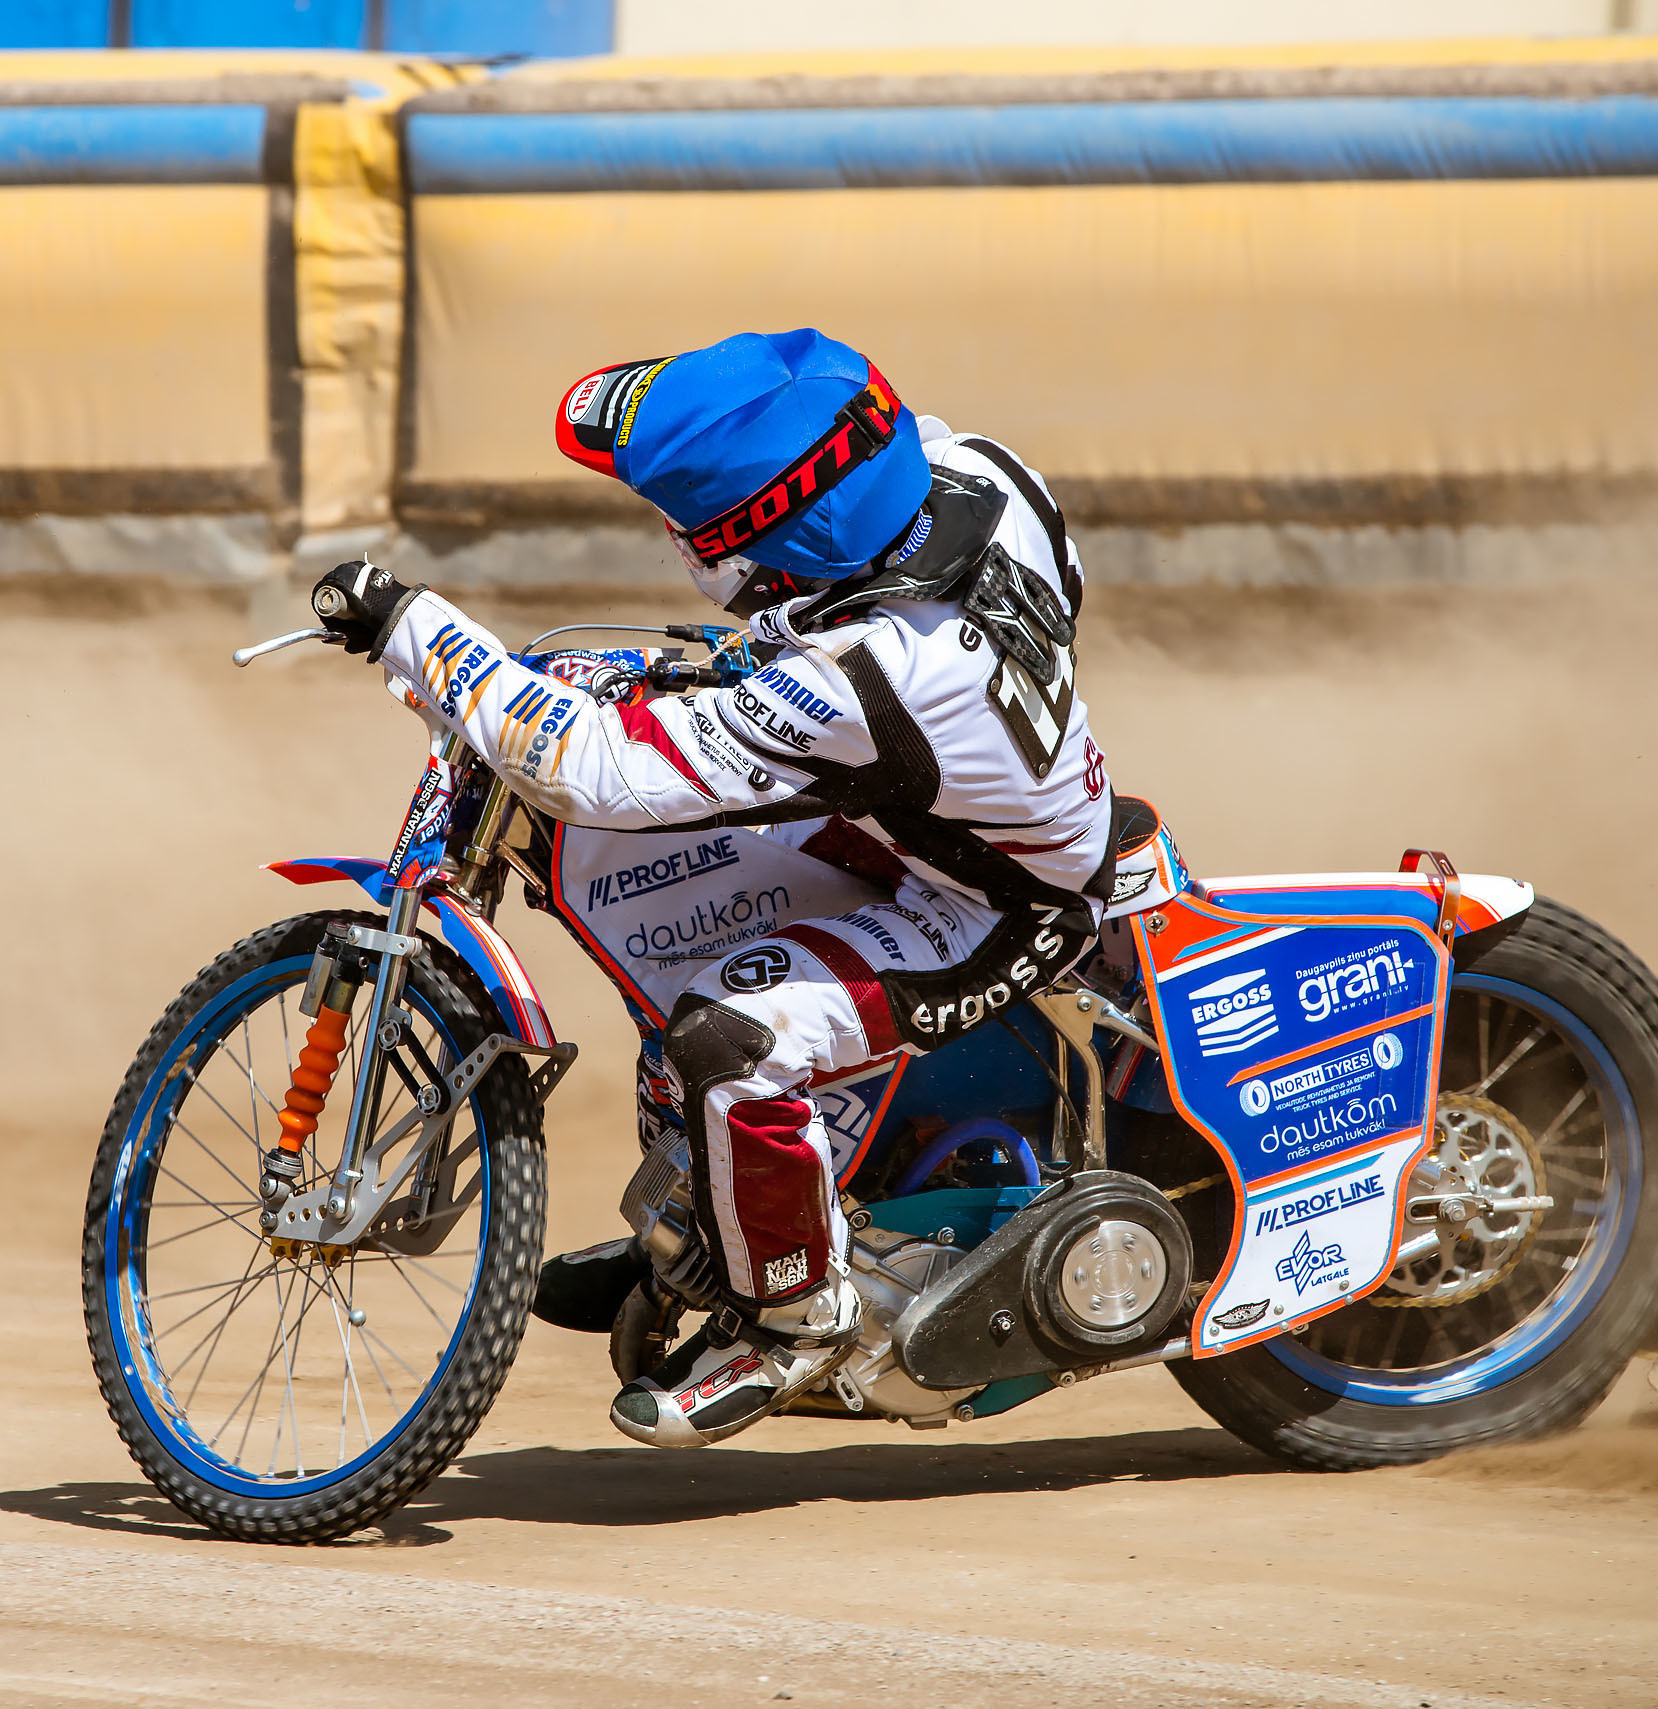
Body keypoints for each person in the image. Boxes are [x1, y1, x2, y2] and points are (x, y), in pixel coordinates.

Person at [307, 329, 1113, 1447]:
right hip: (919, 812)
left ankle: (794, 1315)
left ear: (769, 543)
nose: (677, 539)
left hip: (991, 909)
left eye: (688, 527)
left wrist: (413, 626)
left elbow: (594, 766)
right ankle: (708, 1219)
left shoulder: (869, 675)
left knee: (728, 1034)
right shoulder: (976, 471)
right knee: (668, 904)